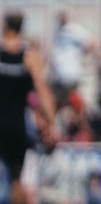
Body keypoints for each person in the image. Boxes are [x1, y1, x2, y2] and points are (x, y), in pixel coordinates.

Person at [1, 12, 59, 204]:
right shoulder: (29, 56)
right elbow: (42, 89)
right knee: (16, 181)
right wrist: (52, 123)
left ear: (5, 26)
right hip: (16, 126)